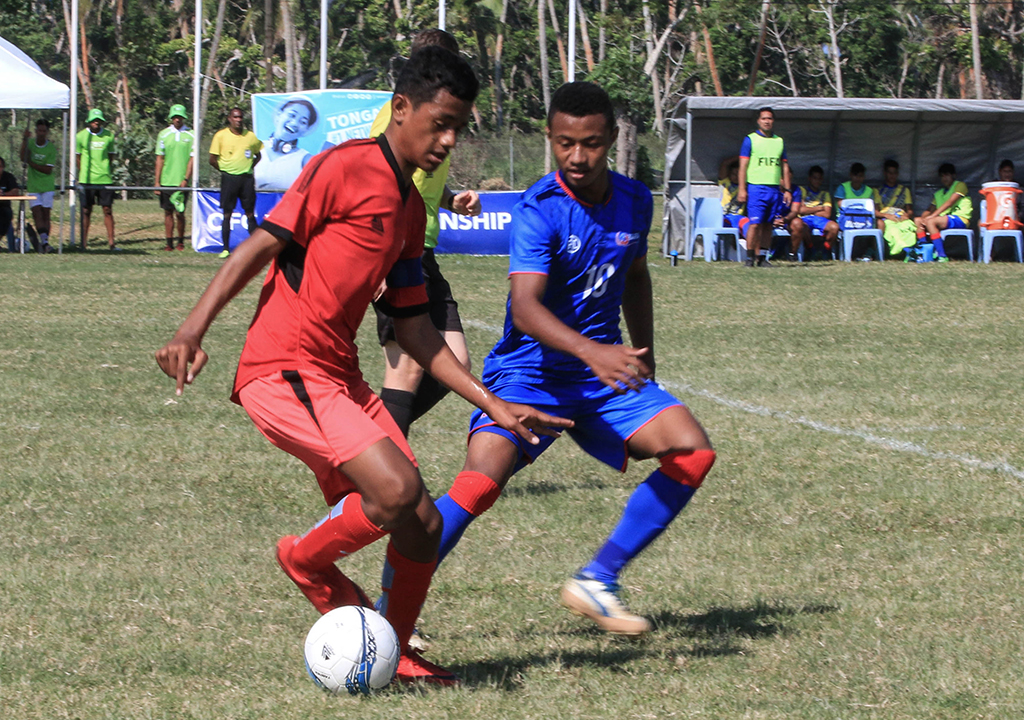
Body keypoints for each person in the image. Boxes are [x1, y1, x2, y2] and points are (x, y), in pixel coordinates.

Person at [155, 46, 570, 686]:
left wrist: (493, 404)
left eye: (458, 128)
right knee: (396, 493)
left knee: (423, 523)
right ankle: (303, 560)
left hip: (338, 375)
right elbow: (259, 247)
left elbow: (416, 331)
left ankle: (392, 653)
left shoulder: (410, 210)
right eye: (440, 123)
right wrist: (192, 329)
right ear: (400, 108)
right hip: (285, 369)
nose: (448, 141)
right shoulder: (343, 166)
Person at [408, 81, 716, 638]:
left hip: (600, 377)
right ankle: (390, 608)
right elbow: (526, 308)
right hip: (529, 373)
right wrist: (591, 350)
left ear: (612, 138)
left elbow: (636, 276)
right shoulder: (539, 208)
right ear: (549, 137)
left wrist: (644, 352)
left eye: (591, 143)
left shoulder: (635, 200)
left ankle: (597, 580)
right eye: (565, 143)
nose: (577, 156)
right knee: (479, 483)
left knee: (691, 452)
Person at [370, 29, 481, 437]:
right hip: (395, 251)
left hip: (423, 252)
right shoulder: (396, 114)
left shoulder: (440, 117)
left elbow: (418, 179)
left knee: (456, 363)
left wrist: (451, 200)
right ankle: (376, 458)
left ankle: (371, 441)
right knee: (406, 368)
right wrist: (380, 258)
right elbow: (378, 184)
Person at [737, 107, 791, 268]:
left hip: (774, 189)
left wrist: (787, 190)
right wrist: (742, 189)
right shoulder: (750, 139)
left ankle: (762, 258)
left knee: (768, 225)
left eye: (769, 118)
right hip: (756, 188)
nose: (767, 121)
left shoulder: (779, 141)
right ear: (758, 121)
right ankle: (749, 258)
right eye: (764, 118)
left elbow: (785, 166)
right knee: (755, 223)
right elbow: (743, 166)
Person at [209, 108, 263, 259]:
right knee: (227, 214)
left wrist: (249, 166)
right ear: (229, 119)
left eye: (240, 117)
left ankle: (257, 248)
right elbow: (212, 159)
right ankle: (226, 248)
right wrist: (225, 170)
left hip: (246, 179)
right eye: (235, 117)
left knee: (250, 213)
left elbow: (258, 155)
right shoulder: (221, 136)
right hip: (229, 179)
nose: (238, 120)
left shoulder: (250, 136)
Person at [75, 109, 118, 251]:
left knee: (107, 210)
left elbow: (110, 156)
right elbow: (78, 157)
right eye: (94, 120)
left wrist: (103, 169)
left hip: (104, 179)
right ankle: (83, 243)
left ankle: (111, 243)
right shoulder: (81, 136)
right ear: (89, 121)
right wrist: (83, 172)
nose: (96, 122)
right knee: (86, 210)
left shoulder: (109, 136)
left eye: (98, 120)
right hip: (87, 179)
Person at [254, 96, 317, 191]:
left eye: (303, 122)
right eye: (292, 115)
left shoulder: (306, 159)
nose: (294, 123)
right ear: (279, 114)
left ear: (306, 130)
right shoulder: (255, 147)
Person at [914, 163, 973, 262]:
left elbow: (950, 202)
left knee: (931, 221)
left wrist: (932, 217)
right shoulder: (939, 193)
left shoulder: (960, 185)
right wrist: (923, 219)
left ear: (953, 175)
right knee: (917, 220)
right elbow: (929, 209)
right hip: (944, 219)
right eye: (942, 176)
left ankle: (942, 255)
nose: (944, 178)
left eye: (947, 175)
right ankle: (924, 251)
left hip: (960, 218)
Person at [155, 104, 195, 251]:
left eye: (180, 117)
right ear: (171, 118)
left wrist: (186, 179)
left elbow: (192, 159)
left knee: (180, 212)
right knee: (168, 212)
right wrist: (157, 182)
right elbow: (160, 159)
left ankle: (181, 241)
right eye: (175, 117)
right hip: (167, 181)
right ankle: (169, 242)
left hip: (181, 182)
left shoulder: (191, 134)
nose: (177, 119)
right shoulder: (163, 134)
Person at [20, 118, 57, 253]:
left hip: (47, 185)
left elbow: (47, 169)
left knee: (46, 213)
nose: (41, 133)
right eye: (39, 131)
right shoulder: (30, 143)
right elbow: (22, 157)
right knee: (36, 212)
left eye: (44, 131)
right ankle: (44, 241)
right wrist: (24, 140)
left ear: (47, 132)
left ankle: (45, 242)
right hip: (33, 185)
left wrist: (31, 163)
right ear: (36, 131)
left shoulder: (50, 148)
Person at [793, 165, 839, 260]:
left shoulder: (825, 194)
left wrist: (808, 210)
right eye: (815, 178)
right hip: (804, 219)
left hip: (820, 219)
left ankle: (825, 250)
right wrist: (819, 208)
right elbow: (800, 210)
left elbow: (827, 214)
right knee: (802, 227)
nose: (817, 181)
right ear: (809, 178)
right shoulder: (802, 190)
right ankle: (810, 249)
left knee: (834, 227)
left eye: (819, 179)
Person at [874, 159, 916, 258]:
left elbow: (910, 210)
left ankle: (910, 250)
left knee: (908, 229)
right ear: (885, 173)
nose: (892, 176)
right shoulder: (877, 191)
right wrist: (887, 216)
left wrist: (907, 215)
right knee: (893, 231)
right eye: (890, 173)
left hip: (901, 218)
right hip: (887, 219)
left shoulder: (904, 190)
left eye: (894, 173)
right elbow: (875, 211)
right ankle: (906, 251)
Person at [0, 157, 23, 252]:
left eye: (0, 166)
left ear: (3, 167)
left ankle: (12, 248)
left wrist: (4, 194)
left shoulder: (8, 177)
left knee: (6, 216)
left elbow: (15, 191)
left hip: (4, 207)